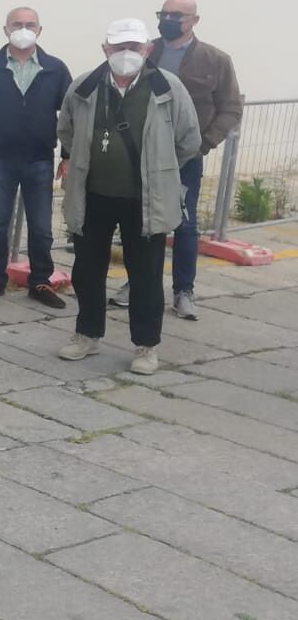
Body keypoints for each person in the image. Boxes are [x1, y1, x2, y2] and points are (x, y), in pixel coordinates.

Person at [57, 19, 201, 375]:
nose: (126, 54)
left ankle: (146, 346)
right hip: (93, 195)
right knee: (87, 271)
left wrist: (159, 169)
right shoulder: (84, 87)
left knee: (146, 274)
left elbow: (188, 141)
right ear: (105, 49)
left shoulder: (167, 88)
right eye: (118, 47)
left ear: (147, 50)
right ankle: (87, 334)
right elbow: (67, 130)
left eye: (133, 47)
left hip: (145, 199)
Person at [109, 0, 242, 320]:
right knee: (139, 221)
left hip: (185, 159)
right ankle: (137, 282)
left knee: (184, 224)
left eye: (176, 15)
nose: (167, 19)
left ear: (194, 20)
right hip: (139, 154)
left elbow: (231, 108)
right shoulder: (145, 51)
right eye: (163, 13)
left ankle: (184, 290)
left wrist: (203, 143)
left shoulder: (215, 60)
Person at [0, 7, 73, 308]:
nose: (24, 29)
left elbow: (72, 115)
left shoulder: (56, 69)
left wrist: (68, 156)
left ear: (40, 30)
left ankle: (40, 282)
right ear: (6, 30)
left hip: (40, 160)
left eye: (30, 24)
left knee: (42, 226)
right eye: (17, 24)